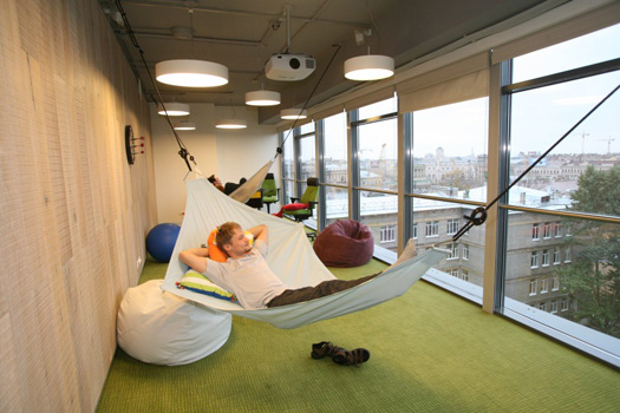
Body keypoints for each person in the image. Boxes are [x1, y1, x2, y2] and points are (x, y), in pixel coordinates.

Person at [178, 222, 383, 310]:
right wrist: (216, 250)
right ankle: (378, 279)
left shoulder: (256, 253)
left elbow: (263, 228)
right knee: (326, 288)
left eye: (245, 236)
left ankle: (378, 279)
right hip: (272, 304)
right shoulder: (224, 269)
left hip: (287, 294)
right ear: (228, 246)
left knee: (325, 287)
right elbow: (184, 255)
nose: (247, 239)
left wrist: (242, 237)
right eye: (241, 238)